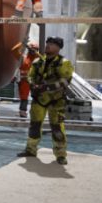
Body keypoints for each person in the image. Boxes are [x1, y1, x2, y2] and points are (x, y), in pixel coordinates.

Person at [17, 36, 74, 165]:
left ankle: (60, 155)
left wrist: (46, 87)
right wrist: (32, 85)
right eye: (47, 43)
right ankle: (31, 150)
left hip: (56, 101)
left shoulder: (64, 63)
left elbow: (65, 81)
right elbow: (30, 76)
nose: (48, 45)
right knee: (34, 126)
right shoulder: (38, 62)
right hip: (39, 99)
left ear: (59, 48)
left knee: (57, 128)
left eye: (52, 44)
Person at [11, 42, 40, 118]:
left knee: (38, 96)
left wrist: (35, 52)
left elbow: (44, 58)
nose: (34, 50)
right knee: (24, 97)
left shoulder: (37, 58)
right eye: (33, 48)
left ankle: (37, 112)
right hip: (25, 81)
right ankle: (23, 112)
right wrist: (22, 43)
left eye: (36, 49)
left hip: (35, 81)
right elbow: (14, 50)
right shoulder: (23, 58)